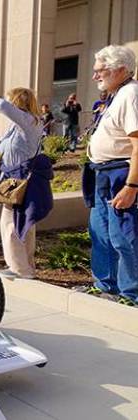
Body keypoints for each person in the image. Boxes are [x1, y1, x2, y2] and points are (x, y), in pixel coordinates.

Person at [79, 45, 138, 306]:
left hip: (119, 176)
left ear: (121, 69)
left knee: (123, 236)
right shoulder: (116, 95)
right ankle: (105, 286)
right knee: (100, 233)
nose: (94, 77)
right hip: (102, 175)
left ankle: (132, 294)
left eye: (99, 71)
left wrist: (132, 186)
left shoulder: (131, 94)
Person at [0, 88, 52, 280]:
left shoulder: (30, 122)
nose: (8, 105)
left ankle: (20, 269)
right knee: (22, 223)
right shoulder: (14, 128)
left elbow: (2, 105)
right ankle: (25, 267)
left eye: (11, 101)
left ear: (17, 102)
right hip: (12, 180)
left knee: (12, 224)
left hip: (22, 181)